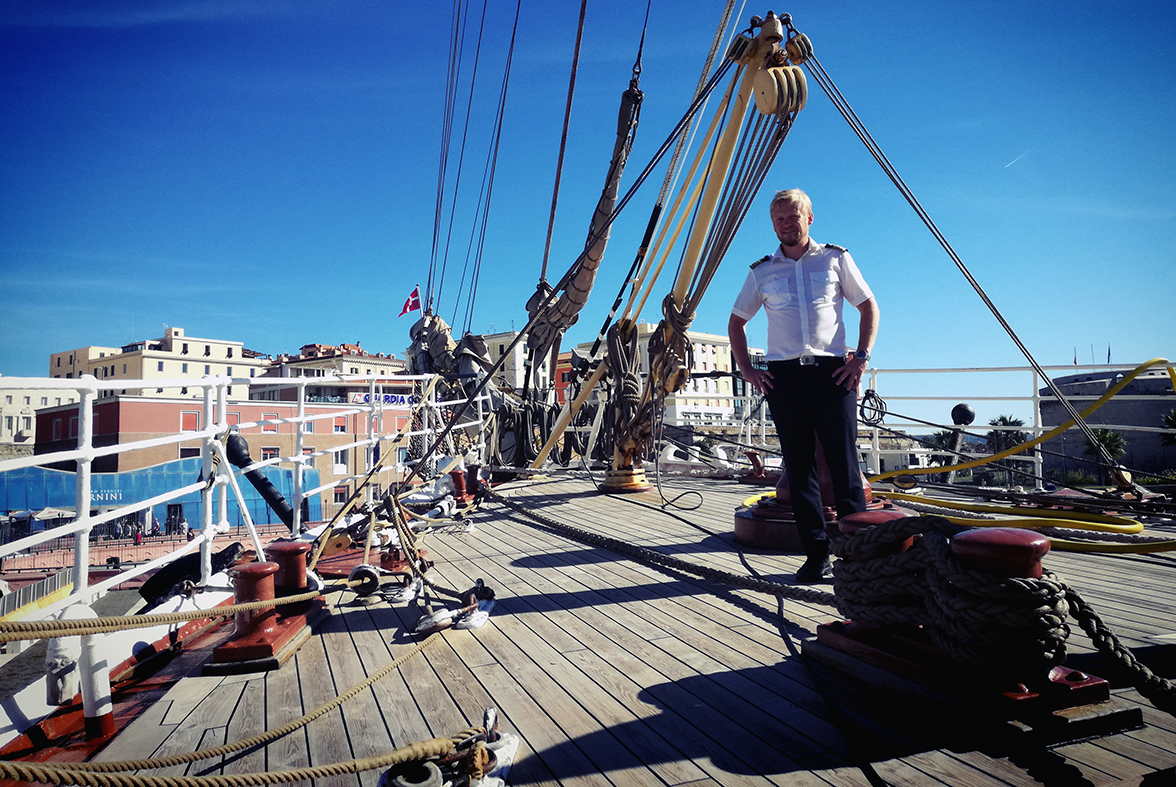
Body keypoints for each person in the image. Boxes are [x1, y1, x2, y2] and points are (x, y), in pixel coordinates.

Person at [728, 189, 880, 583]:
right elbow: (736, 322)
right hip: (785, 377)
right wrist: (748, 369)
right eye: (778, 219)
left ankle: (856, 556)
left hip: (833, 373)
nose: (785, 224)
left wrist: (861, 358)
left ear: (809, 218)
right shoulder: (762, 272)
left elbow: (868, 306)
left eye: (792, 217)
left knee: (846, 467)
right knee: (799, 469)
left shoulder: (836, 259)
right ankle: (817, 554)